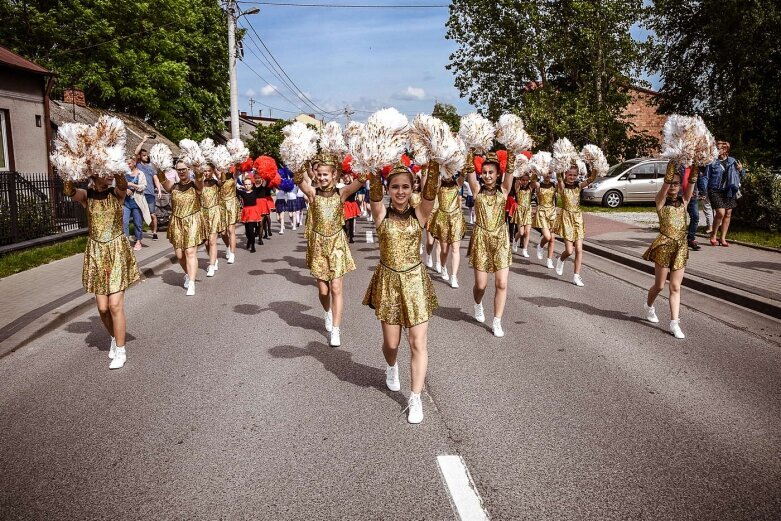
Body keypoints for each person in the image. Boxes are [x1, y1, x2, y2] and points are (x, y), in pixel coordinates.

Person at [363, 162, 438, 424]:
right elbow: (373, 196)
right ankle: (391, 366)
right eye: (395, 186)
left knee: (418, 342)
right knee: (392, 345)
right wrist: (372, 161)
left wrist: (437, 161)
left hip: (415, 281)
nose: (400, 191)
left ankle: (415, 398)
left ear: (412, 187)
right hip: (389, 283)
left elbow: (430, 195)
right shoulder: (381, 213)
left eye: (405, 186)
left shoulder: (420, 215)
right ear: (387, 189)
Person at [64, 173, 140, 369]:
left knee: (115, 305)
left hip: (116, 252)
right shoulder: (86, 195)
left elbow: (122, 184)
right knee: (103, 308)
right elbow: (68, 191)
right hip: (97, 253)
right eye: (103, 173)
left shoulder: (117, 193)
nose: (108, 176)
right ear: (94, 176)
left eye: (110, 173)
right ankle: (115, 337)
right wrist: (69, 170)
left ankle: (121, 350)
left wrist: (115, 170)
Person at [293, 153, 365, 347]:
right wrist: (295, 158)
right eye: (320, 174)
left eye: (327, 174)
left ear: (334, 175)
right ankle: (327, 312)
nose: (323, 178)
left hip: (337, 244)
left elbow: (360, 180)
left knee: (336, 287)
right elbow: (298, 179)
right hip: (318, 244)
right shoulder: (312, 194)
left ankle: (336, 329)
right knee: (323, 290)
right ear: (316, 175)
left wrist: (369, 162)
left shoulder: (341, 194)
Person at [642, 162, 698, 339]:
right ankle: (649, 306)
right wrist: (672, 164)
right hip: (664, 246)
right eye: (671, 183)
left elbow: (691, 183)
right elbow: (665, 186)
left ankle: (675, 323)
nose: (673, 186)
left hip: (681, 247)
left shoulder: (685, 201)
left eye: (676, 183)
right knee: (659, 285)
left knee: (675, 286)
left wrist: (696, 162)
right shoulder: (660, 201)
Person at [466, 151, 514, 337]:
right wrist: (470, 149)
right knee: (481, 285)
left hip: (501, 239)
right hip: (481, 239)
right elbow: (470, 168)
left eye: (491, 172)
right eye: (484, 172)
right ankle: (478, 304)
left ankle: (497, 321)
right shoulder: (476, 190)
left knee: (501, 283)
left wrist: (512, 149)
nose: (487, 175)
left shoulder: (504, 189)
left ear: (497, 174)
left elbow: (510, 168)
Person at [156, 161, 206, 296]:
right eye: (179, 170)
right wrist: (158, 167)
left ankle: (192, 283)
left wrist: (198, 168)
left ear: (189, 169)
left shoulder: (195, 185)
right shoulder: (173, 186)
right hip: (177, 221)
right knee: (180, 255)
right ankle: (188, 274)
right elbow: (163, 181)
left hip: (192, 220)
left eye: (184, 169)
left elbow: (200, 181)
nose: (182, 172)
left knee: (190, 252)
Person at [553, 159, 598, 287]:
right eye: (569, 174)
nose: (572, 177)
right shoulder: (561, 186)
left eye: (574, 175)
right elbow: (559, 178)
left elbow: (592, 178)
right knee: (569, 250)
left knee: (579, 249)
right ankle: (561, 259)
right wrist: (560, 166)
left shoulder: (578, 186)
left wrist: (595, 164)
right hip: (566, 218)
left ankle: (576, 276)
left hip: (578, 218)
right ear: (566, 174)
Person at [427, 163, 467, 289]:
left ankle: (454, 276)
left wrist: (466, 159)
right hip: (442, 219)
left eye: (450, 172)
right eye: (445, 172)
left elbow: (463, 175)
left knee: (456, 248)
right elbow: (433, 181)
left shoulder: (457, 184)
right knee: (445, 250)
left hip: (456, 219)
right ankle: (443, 266)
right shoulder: (439, 185)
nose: (447, 175)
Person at [705, 140, 745, 246]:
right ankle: (713, 235)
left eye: (718, 148)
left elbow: (742, 174)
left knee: (728, 213)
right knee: (720, 213)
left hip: (729, 190)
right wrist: (704, 191)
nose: (715, 150)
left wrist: (741, 170)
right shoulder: (711, 162)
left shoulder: (733, 161)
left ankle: (722, 238)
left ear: (725, 149)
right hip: (714, 189)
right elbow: (706, 177)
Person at [135, 136, 162, 240]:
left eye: (147, 155)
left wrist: (159, 190)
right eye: (144, 155)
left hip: (150, 194)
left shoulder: (151, 168)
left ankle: (154, 232)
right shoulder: (138, 165)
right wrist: (143, 141)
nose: (146, 157)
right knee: (140, 215)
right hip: (140, 194)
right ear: (140, 156)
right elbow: (136, 152)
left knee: (152, 214)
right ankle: (139, 234)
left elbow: (156, 179)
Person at [200, 163, 225, 277]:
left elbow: (222, 180)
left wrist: (216, 170)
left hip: (214, 212)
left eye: (209, 170)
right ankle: (213, 258)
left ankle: (211, 265)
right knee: (206, 242)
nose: (207, 173)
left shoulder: (216, 183)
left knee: (212, 240)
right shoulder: (199, 184)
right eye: (205, 171)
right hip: (203, 213)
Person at [533, 168, 557, 269]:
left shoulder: (554, 185)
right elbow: (533, 180)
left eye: (550, 172)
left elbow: (562, 184)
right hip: (542, 212)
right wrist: (535, 168)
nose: (548, 174)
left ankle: (549, 260)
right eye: (546, 172)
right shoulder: (538, 185)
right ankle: (541, 245)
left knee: (552, 239)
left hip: (552, 212)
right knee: (547, 237)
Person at [123, 158, 149, 252]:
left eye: (129, 163)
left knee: (137, 222)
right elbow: (118, 185)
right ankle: (125, 241)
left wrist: (133, 185)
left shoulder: (140, 173)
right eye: (127, 163)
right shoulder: (124, 174)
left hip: (137, 202)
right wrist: (125, 189)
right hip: (126, 202)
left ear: (134, 163)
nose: (128, 165)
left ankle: (138, 240)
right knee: (124, 222)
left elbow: (144, 186)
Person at [219, 164, 241, 264]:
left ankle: (232, 253)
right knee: (223, 232)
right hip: (221, 205)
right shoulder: (219, 177)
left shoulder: (234, 177)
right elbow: (215, 169)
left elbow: (237, 168)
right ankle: (228, 246)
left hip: (231, 204)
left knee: (231, 229)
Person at [237, 175, 264, 252]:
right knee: (247, 231)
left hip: (253, 211)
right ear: (244, 185)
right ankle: (249, 240)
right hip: (246, 212)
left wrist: (264, 177)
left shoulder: (255, 191)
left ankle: (253, 246)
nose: (247, 186)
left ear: (252, 184)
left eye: (249, 184)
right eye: (246, 184)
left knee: (251, 229)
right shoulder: (243, 193)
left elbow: (262, 186)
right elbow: (234, 189)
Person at [511, 173, 533, 257]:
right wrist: (519, 170)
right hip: (520, 211)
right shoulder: (518, 188)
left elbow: (535, 182)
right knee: (521, 232)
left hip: (527, 210)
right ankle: (515, 240)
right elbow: (516, 182)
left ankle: (525, 249)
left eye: (527, 180)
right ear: (520, 180)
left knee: (527, 232)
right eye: (523, 180)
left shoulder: (530, 187)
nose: (525, 182)